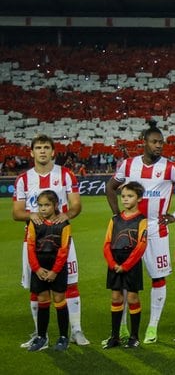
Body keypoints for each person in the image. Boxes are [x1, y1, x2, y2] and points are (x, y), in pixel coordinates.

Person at [105, 124, 175, 344]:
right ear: (144, 142)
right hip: (130, 229)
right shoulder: (129, 165)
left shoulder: (170, 168)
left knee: (158, 277)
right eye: (155, 142)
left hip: (155, 228)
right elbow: (110, 187)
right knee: (121, 279)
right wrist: (117, 217)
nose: (159, 146)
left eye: (161, 142)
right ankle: (121, 328)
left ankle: (152, 327)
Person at [13, 134, 88, 348]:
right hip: (34, 242)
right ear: (32, 152)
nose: (43, 151)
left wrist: (68, 215)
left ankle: (76, 331)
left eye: (47, 147)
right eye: (38, 147)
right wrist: (31, 215)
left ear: (53, 151)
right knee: (36, 288)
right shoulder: (23, 179)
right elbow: (17, 212)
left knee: (70, 284)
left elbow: (75, 205)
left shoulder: (66, 175)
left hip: (61, 241)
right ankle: (40, 334)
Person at [24, 190, 74, 352]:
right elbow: (30, 247)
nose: (43, 209)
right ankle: (41, 337)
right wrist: (37, 268)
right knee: (42, 298)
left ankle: (63, 337)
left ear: (55, 205)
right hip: (39, 265)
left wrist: (54, 271)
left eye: (47, 205)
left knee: (59, 298)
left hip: (56, 266)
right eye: (40, 205)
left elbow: (64, 250)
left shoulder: (64, 224)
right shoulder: (34, 223)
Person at [102, 181, 149, 349]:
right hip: (115, 261)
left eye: (130, 196)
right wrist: (113, 263)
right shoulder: (115, 219)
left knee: (132, 297)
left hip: (131, 262)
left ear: (139, 198)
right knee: (116, 297)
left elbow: (141, 246)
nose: (125, 199)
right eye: (123, 196)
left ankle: (134, 336)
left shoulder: (142, 220)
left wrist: (126, 265)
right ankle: (114, 336)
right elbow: (107, 243)